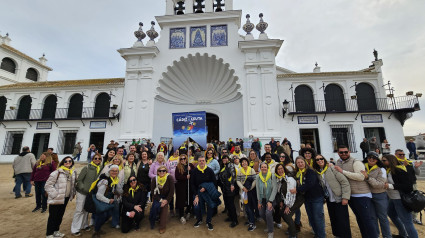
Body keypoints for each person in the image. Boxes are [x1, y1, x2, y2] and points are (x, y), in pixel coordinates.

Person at [334, 145, 378, 238]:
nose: (344, 154)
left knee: (366, 220)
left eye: (346, 152)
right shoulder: (338, 162)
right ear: (338, 153)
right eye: (341, 152)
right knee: (360, 219)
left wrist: (343, 171)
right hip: (351, 195)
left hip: (362, 195)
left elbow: (361, 177)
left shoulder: (356, 162)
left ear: (349, 152)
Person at [313, 154, 351, 238]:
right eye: (317, 160)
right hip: (329, 199)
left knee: (343, 221)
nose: (319, 160)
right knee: (333, 219)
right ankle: (337, 235)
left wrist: (345, 197)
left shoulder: (332, 168)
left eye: (321, 158)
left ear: (324, 159)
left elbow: (344, 182)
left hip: (339, 198)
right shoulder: (318, 172)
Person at [382, 154, 419, 238]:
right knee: (391, 214)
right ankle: (403, 234)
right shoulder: (389, 170)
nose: (382, 162)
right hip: (393, 198)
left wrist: (390, 186)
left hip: (400, 199)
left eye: (384, 160)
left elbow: (408, 186)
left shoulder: (399, 170)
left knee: (407, 222)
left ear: (390, 161)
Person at [71, 153, 103, 236]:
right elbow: (80, 180)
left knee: (86, 209)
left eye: (99, 159)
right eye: (95, 158)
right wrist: (83, 188)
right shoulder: (87, 167)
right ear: (92, 159)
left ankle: (84, 225)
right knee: (79, 210)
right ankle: (75, 229)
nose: (97, 160)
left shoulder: (99, 169)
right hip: (82, 192)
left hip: (90, 193)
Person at [293, 156, 326, 238]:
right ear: (296, 164)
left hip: (316, 197)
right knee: (311, 218)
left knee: (318, 218)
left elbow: (309, 184)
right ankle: (316, 234)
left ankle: (321, 236)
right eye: (298, 163)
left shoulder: (310, 171)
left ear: (305, 162)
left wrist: (297, 189)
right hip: (307, 198)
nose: (300, 164)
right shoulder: (298, 174)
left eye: (301, 162)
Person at [45, 156, 77, 238]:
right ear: (63, 162)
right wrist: (55, 195)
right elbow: (48, 185)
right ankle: (49, 234)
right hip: (56, 198)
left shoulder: (72, 172)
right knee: (53, 216)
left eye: (70, 161)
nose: (68, 162)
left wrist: (72, 193)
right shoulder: (56, 172)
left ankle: (56, 231)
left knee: (60, 215)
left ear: (72, 163)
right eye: (66, 161)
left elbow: (73, 184)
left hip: (65, 198)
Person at [361, 151, 391, 238]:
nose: (371, 159)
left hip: (380, 195)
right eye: (369, 157)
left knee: (383, 218)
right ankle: (375, 235)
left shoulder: (381, 169)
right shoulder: (363, 167)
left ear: (377, 160)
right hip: (368, 195)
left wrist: (368, 178)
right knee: (372, 218)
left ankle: (387, 236)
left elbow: (380, 184)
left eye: (374, 158)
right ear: (367, 158)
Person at [92, 165, 123, 238]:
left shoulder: (114, 179)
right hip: (100, 200)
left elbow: (118, 189)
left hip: (105, 199)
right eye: (113, 170)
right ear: (109, 171)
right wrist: (108, 200)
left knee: (107, 214)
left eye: (116, 171)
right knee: (101, 215)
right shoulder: (105, 180)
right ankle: (96, 231)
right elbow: (99, 195)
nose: (114, 172)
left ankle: (98, 229)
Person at [395, 149, 423, 225]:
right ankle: (401, 217)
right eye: (400, 155)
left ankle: (414, 217)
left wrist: (416, 167)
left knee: (414, 201)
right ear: (395, 155)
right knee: (402, 202)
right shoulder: (394, 163)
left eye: (403, 154)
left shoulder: (409, 162)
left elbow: (418, 173)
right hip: (400, 186)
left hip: (412, 185)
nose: (402, 156)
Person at [192, 156, 220, 231]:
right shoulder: (194, 171)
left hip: (208, 191)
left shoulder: (209, 170)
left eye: (203, 161)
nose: (201, 162)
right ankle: (199, 219)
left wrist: (206, 188)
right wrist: (196, 195)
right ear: (198, 162)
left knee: (210, 205)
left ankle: (208, 221)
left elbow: (214, 182)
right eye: (200, 161)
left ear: (205, 162)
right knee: (196, 206)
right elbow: (192, 184)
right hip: (198, 192)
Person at [275, 163, 302, 238]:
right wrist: (281, 201)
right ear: (276, 171)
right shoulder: (280, 179)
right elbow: (281, 192)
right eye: (278, 169)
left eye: (281, 168)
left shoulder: (289, 179)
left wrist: (288, 206)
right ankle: (292, 227)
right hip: (288, 200)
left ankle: (293, 234)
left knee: (287, 215)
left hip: (296, 200)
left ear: (284, 169)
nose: (280, 170)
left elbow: (291, 194)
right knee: (281, 212)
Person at [149, 166, 174, 234]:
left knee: (163, 208)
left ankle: (162, 227)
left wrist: (166, 200)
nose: (162, 172)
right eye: (160, 171)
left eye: (163, 171)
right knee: (154, 207)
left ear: (166, 172)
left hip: (166, 197)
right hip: (158, 197)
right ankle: (153, 220)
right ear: (157, 172)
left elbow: (172, 191)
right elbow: (153, 192)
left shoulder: (169, 178)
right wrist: (160, 200)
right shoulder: (155, 179)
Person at [256, 162, 277, 238]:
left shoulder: (272, 176)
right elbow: (257, 190)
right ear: (260, 168)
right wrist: (259, 201)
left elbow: (275, 189)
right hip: (262, 199)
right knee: (261, 213)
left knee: (268, 213)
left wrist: (270, 201)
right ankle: (269, 223)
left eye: (265, 167)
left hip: (271, 199)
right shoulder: (258, 176)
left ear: (268, 168)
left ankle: (270, 231)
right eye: (262, 167)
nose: (264, 168)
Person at [236, 157, 257, 231]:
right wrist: (243, 188)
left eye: (245, 161)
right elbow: (238, 181)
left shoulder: (252, 170)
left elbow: (255, 180)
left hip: (250, 192)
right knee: (246, 206)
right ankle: (249, 220)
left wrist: (250, 188)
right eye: (242, 162)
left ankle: (252, 223)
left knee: (250, 207)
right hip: (243, 192)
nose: (244, 163)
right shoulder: (239, 170)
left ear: (247, 162)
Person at [219, 155, 239, 228]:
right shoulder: (223, 166)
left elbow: (233, 175)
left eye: (226, 158)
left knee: (231, 204)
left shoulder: (230, 165)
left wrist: (232, 184)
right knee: (227, 203)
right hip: (225, 188)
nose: (224, 159)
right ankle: (230, 217)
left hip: (230, 187)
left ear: (228, 159)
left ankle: (235, 220)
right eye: (223, 158)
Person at [175, 153, 194, 224]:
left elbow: (194, 174)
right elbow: (177, 176)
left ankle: (188, 212)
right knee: (181, 201)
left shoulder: (190, 165)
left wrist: (191, 170)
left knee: (189, 199)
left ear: (186, 159)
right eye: (181, 159)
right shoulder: (178, 167)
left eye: (184, 158)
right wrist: (185, 177)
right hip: (181, 186)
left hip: (189, 185)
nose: (183, 160)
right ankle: (181, 215)